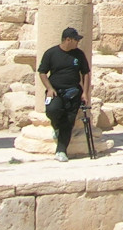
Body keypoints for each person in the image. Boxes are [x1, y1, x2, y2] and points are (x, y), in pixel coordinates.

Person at [37, 26, 92, 162]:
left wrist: (85, 93)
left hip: (73, 92)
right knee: (53, 110)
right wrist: (49, 88)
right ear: (67, 40)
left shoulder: (78, 54)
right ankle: (56, 126)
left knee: (68, 122)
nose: (77, 42)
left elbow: (85, 73)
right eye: (75, 40)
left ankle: (61, 150)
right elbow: (42, 72)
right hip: (55, 91)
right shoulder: (51, 53)